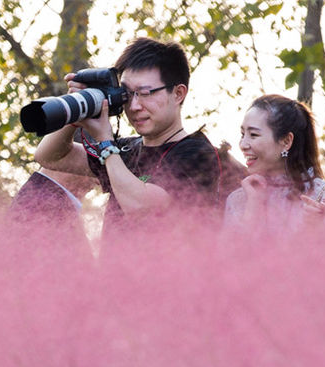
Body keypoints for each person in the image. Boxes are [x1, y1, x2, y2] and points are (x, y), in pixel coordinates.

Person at [34, 37, 221, 240]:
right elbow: (50, 157)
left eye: (145, 93)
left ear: (178, 94)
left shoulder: (196, 152)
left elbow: (141, 209)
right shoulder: (125, 150)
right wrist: (75, 111)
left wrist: (106, 142)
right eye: (127, 94)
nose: (134, 106)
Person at [223, 95, 325, 243]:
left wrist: (319, 232)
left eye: (253, 135)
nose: (243, 144)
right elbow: (224, 262)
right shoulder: (239, 199)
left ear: (286, 141)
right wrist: (252, 208)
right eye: (243, 134)